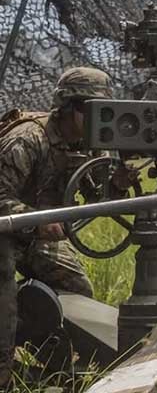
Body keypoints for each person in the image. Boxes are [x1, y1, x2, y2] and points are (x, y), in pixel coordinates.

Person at [0, 66, 110, 388]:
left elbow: (97, 194)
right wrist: (37, 222)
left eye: (101, 111)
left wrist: (115, 183)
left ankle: (57, 364)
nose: (94, 119)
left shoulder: (89, 145)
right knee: (3, 305)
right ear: (66, 108)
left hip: (33, 235)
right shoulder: (27, 139)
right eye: (87, 110)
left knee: (79, 292)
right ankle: (5, 373)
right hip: (5, 232)